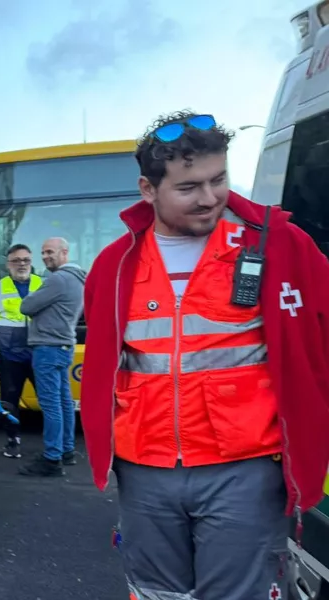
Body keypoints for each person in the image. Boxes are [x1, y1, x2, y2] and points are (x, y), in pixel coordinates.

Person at [82, 111, 329, 599]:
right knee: (155, 593)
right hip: (144, 468)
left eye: (218, 179)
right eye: (189, 187)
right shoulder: (113, 264)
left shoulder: (281, 246)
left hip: (246, 467)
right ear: (148, 190)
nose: (210, 197)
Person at [16, 238, 85, 477]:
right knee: (64, 401)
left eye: (50, 252)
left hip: (48, 346)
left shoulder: (58, 279)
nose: (45, 256)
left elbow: (26, 306)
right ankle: (66, 450)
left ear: (65, 253)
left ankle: (51, 458)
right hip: (64, 346)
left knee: (50, 405)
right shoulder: (78, 279)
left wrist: (35, 300)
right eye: (43, 252)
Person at [0, 244, 40, 458]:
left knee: (49, 400)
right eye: (16, 260)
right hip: (9, 355)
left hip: (38, 354)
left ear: (31, 263)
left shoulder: (43, 285)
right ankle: (12, 441)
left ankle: (56, 446)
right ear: (8, 264)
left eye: (25, 260)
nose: (21, 264)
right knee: (9, 401)